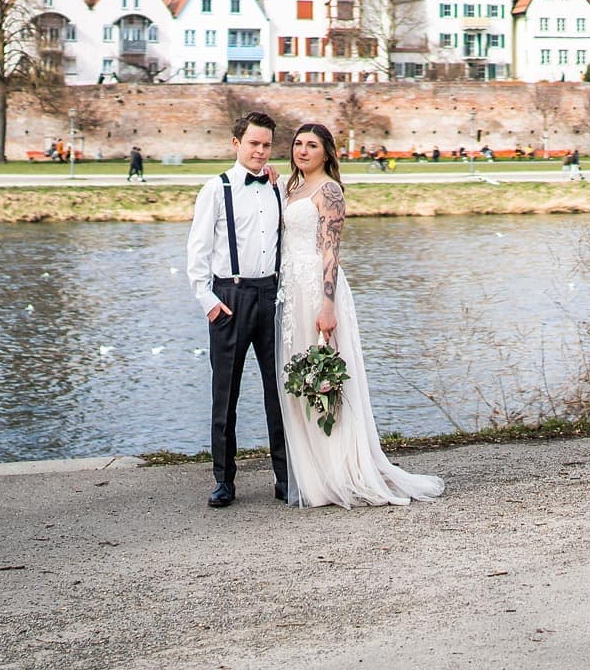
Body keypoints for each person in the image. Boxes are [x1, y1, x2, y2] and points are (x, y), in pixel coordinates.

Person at [276, 122, 445, 508]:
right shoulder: (290, 188)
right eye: (298, 144)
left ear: (327, 153)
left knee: (326, 383)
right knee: (302, 382)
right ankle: (314, 477)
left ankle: (342, 472)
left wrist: (327, 304)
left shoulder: (329, 190)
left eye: (312, 145)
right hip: (291, 292)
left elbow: (331, 250)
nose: (303, 151)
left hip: (318, 290)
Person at [186, 112, 288, 509]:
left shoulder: (278, 187)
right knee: (225, 394)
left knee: (278, 392)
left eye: (266, 145)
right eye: (254, 144)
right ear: (236, 144)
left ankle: (285, 477)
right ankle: (223, 480)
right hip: (230, 298)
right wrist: (209, 303)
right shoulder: (216, 189)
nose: (261, 152)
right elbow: (197, 250)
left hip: (271, 297)